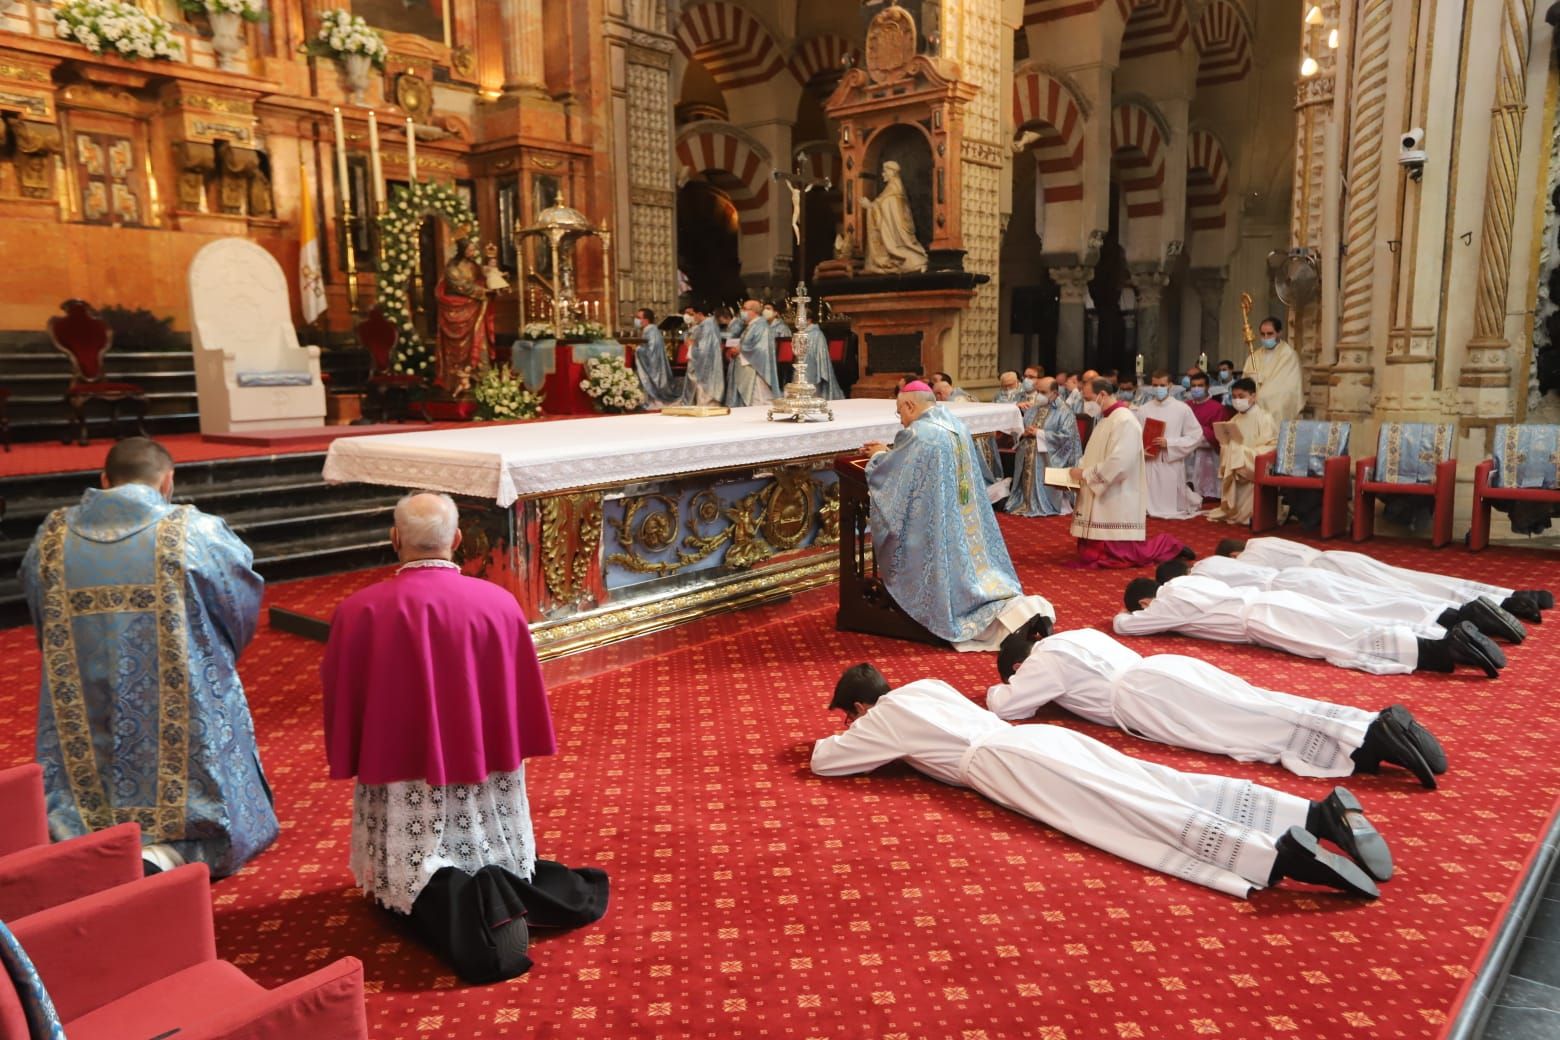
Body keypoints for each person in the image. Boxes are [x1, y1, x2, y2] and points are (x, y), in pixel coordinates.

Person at [813, 665, 1386, 898]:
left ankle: (1274, 857)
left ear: (861, 704)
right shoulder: (929, 685)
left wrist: (843, 730)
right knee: (1159, 779)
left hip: (1008, 766)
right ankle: (1310, 814)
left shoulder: (882, 717)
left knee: (1124, 811)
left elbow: (828, 762)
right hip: (1038, 740)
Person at [20, 437, 277, 877]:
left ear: (104, 481)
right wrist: (214, 654)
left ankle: (90, 842)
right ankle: (174, 849)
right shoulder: (195, 533)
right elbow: (239, 607)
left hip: (85, 685)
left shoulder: (52, 535)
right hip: (182, 693)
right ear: (167, 482)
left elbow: (39, 609)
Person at [323, 493, 557, 920]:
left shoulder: (358, 611)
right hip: (481, 754)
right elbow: (518, 688)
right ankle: (493, 869)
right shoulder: (500, 604)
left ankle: (406, 882)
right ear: (459, 538)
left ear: (394, 538)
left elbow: (344, 691)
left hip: (398, 761)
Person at [989, 624, 1447, 791]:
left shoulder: (1040, 662)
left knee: (1249, 730)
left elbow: (1010, 708)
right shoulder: (1076, 635)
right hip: (1166, 669)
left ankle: (1368, 745)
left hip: (1147, 700)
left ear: (1017, 664)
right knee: (1260, 703)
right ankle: (1365, 725)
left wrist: (1000, 689)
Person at [860, 382, 1050, 649]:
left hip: (937, 522)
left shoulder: (919, 433)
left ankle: (1002, 623)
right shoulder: (954, 424)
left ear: (910, 405)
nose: (900, 419)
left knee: (947, 577)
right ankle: (1019, 613)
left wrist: (880, 454)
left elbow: (894, 476)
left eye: (899, 411)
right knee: (974, 572)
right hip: (962, 516)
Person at [1115, 571, 1508, 677]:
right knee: (1347, 621)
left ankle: (1438, 651)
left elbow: (1127, 628)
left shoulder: (1168, 603)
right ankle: (1438, 636)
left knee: (1340, 642)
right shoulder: (1190, 581)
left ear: (1146, 601)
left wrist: (1128, 614)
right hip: (1273, 602)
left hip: (1262, 621)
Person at [1182, 555, 1527, 644]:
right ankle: (1473, 612)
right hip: (1306, 575)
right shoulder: (1239, 555)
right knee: (1388, 595)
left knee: (1368, 611)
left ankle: (1457, 624)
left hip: (1289, 591)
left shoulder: (1199, 577)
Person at [1217, 536, 1555, 624]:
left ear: (1233, 556)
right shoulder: (1261, 541)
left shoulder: (1248, 558)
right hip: (1337, 557)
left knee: (1407, 593)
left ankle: (1501, 607)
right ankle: (1513, 595)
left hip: (1327, 574)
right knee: (1419, 580)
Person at [1067, 378, 1189, 569]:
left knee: (1125, 553)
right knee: (1089, 553)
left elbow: (1120, 461)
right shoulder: (1106, 419)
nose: (1087, 404)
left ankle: (1169, 545)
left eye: (1089, 398)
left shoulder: (1125, 420)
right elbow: (1093, 452)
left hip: (1117, 490)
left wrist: (1087, 474)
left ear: (1102, 395)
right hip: (1100, 487)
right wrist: (1078, 473)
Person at [1203, 377, 1277, 524]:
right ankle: (1232, 509)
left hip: (1252, 465)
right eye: (1234, 397)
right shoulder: (1234, 420)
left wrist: (1241, 453)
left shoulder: (1265, 418)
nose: (1237, 400)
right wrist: (1227, 448)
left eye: (1241, 397)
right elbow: (1226, 445)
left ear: (1253, 396)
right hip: (1237, 469)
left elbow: (1272, 445)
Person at [1006, 376, 1081, 517]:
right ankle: (1025, 501)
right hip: (1028, 452)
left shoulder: (1064, 411)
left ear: (1054, 393)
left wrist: (1039, 433)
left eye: (1043, 392)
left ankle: (1045, 502)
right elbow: (1020, 427)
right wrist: (1025, 432)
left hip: (1048, 456)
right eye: (1038, 391)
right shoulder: (1034, 408)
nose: (1039, 395)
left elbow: (1067, 437)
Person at [1137, 370, 1203, 519]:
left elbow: (1196, 435)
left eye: (1162, 385)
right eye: (1155, 385)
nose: (1158, 388)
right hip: (1150, 460)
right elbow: (1136, 436)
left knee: (1171, 497)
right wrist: (1141, 448)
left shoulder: (1182, 408)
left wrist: (1170, 443)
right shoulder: (1143, 409)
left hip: (1171, 460)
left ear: (1170, 385)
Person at [434, 236, 495, 396]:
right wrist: (482, 292)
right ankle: (456, 383)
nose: (473, 252)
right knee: (458, 351)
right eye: (470, 249)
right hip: (457, 310)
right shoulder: (452, 268)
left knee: (479, 341)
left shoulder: (474, 265)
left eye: (474, 249)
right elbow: (461, 286)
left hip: (475, 309)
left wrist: (494, 275)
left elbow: (484, 276)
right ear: (462, 250)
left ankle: (482, 382)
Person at [862, 160, 929, 274]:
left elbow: (885, 206)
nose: (883, 174)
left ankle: (912, 260)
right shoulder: (894, 188)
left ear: (892, 172)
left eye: (885, 171)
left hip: (895, 232)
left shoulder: (892, 190)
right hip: (896, 229)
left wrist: (870, 206)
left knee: (900, 251)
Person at [1244, 316, 1303, 424]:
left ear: (1279, 333)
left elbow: (1285, 387)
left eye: (1270, 334)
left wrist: (1259, 396)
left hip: (1275, 402)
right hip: (1253, 404)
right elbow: (1245, 382)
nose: (1266, 337)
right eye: (1262, 334)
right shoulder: (1254, 356)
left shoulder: (1288, 355)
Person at [1185, 371, 1232, 500]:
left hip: (1208, 452)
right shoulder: (1186, 406)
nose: (1196, 389)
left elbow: (1220, 435)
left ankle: (1208, 492)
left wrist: (1202, 431)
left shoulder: (1217, 408)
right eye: (1193, 386)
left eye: (1200, 385)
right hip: (1187, 450)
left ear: (1207, 387)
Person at [725, 298, 780, 407]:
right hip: (745, 366)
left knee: (759, 400)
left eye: (745, 309)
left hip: (754, 369)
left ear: (754, 311)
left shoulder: (761, 325)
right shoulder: (751, 325)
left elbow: (762, 348)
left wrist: (741, 349)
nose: (742, 312)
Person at [632, 307, 681, 408]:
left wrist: (637, 350)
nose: (636, 320)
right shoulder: (648, 330)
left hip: (654, 365)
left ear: (646, 319)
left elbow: (652, 351)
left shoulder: (652, 331)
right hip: (652, 363)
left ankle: (655, 400)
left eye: (638, 317)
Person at [679, 303, 725, 406]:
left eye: (693, 314)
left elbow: (704, 351)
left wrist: (691, 346)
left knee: (705, 400)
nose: (692, 317)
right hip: (706, 366)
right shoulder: (707, 325)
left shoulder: (707, 326)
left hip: (706, 368)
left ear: (699, 314)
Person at [793, 316, 844, 400]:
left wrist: (822, 369)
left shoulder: (817, 334)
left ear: (809, 320)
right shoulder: (799, 334)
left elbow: (822, 354)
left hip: (812, 365)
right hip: (800, 365)